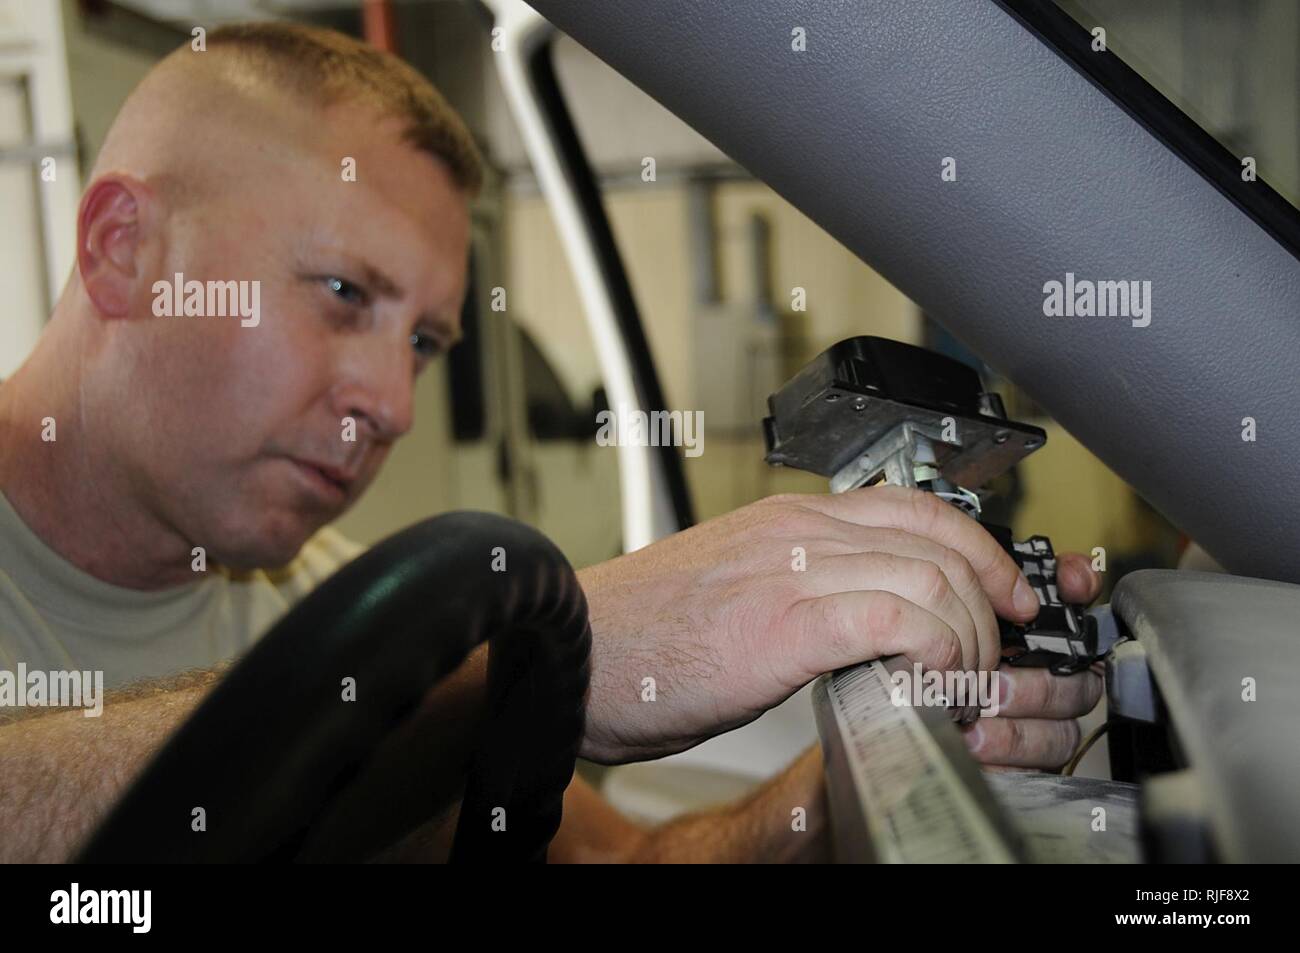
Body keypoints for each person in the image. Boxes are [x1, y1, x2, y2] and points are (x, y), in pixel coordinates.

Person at [0, 23, 1101, 862]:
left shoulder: (326, 603)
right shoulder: (387, 646)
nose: (393, 403)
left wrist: (866, 784)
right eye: (341, 292)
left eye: (426, 341)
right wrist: (554, 651)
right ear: (123, 249)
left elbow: (618, 862)